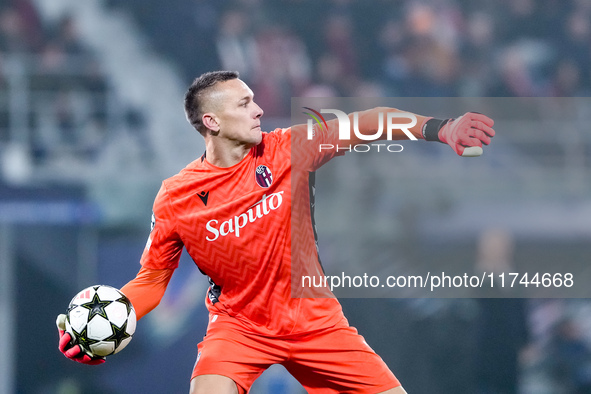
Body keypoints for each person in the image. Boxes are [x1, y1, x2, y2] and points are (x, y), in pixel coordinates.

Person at [57, 70, 495, 393]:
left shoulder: (288, 150)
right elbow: (152, 281)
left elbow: (368, 123)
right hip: (239, 327)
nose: (259, 108)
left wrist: (442, 129)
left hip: (315, 323)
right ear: (212, 121)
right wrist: (110, 318)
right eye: (244, 103)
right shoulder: (175, 198)